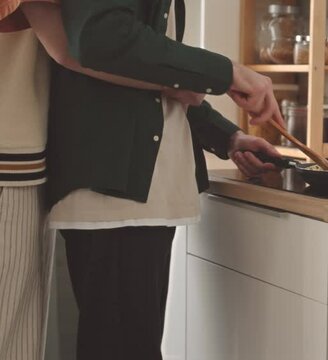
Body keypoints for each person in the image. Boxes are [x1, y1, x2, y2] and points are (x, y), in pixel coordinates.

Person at [44, 0, 284, 359]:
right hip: (118, 193)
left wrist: (226, 137)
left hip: (139, 193)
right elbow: (100, 38)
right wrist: (226, 71)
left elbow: (157, 81)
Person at [0, 0, 234, 359]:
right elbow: (87, 46)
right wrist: (221, 73)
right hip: (23, 161)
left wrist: (222, 132)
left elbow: (106, 53)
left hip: (33, 160)